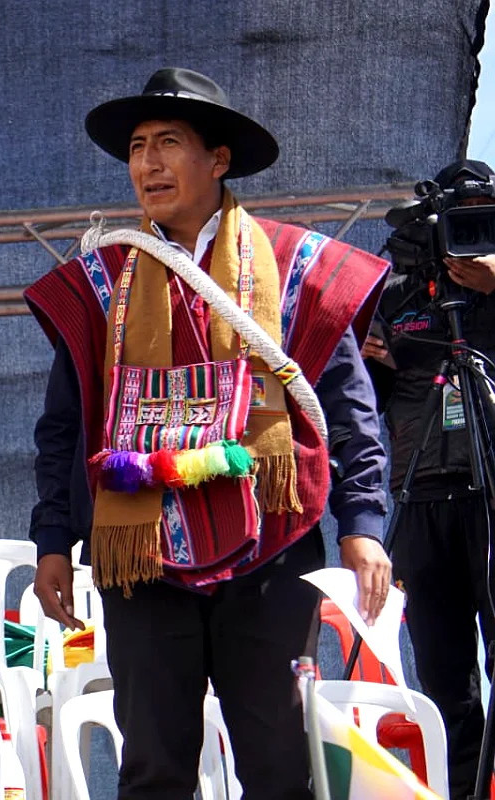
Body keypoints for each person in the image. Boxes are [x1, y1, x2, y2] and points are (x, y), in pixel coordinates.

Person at [24, 68, 391, 798]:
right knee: (154, 766)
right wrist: (51, 542)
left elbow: (346, 408)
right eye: (136, 147)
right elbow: (64, 425)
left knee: (279, 762)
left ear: (218, 160)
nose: (148, 164)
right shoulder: (99, 284)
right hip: (142, 555)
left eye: (168, 143)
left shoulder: (293, 268)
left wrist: (366, 523)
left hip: (272, 546)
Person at [362, 159, 495, 799]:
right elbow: (361, 403)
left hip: (493, 497)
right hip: (420, 500)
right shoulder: (400, 298)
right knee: (444, 680)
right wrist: (365, 361)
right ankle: (466, 789)